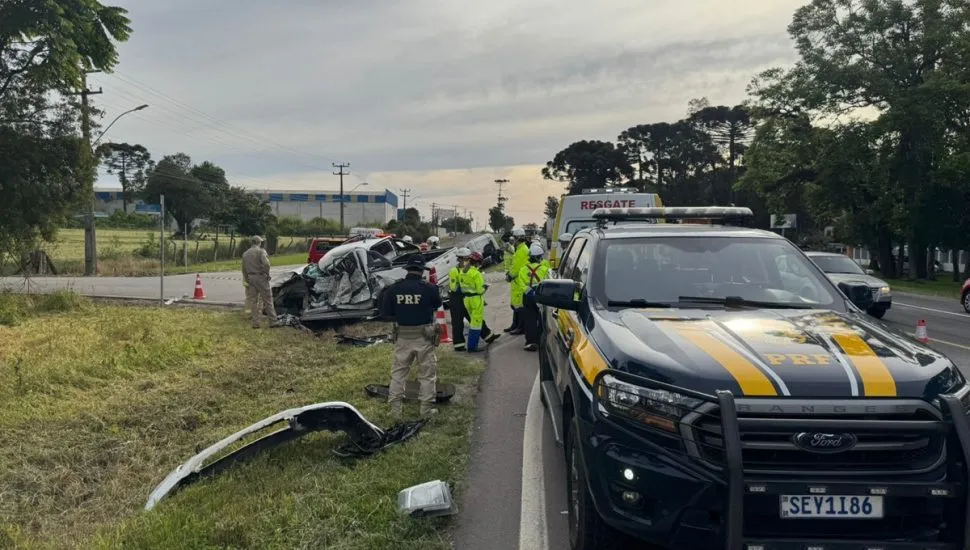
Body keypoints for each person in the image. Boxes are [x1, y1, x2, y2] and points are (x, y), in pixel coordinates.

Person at [380, 256, 442, 419]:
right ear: (422, 271)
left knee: (398, 374)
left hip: (403, 336)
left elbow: (385, 314)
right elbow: (437, 304)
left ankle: (395, 411)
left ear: (407, 269)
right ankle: (426, 411)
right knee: (427, 375)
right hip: (424, 336)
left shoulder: (394, 289)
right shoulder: (429, 288)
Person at [517, 243, 550, 351]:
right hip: (541, 295)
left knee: (529, 320)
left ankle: (531, 342)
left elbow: (520, 283)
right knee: (542, 318)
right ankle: (542, 341)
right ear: (539, 257)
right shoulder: (545, 269)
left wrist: (529, 292)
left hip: (528, 296)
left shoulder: (523, 270)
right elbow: (548, 283)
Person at [461, 252, 495, 352]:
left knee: (474, 321)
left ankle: (485, 338)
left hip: (467, 300)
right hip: (476, 300)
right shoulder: (476, 273)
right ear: (477, 263)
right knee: (476, 323)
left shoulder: (463, 272)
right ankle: (472, 347)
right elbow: (480, 290)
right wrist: (485, 287)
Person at [241, 236, 278, 328]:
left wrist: (247, 279)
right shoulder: (261, 251)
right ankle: (273, 321)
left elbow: (243, 269)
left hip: (251, 278)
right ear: (259, 242)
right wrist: (267, 273)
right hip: (261, 276)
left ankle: (255, 323)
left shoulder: (245, 254)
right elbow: (266, 264)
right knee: (268, 299)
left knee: (254, 301)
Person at [506, 228, 530, 334]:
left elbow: (517, 267)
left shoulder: (522, 250)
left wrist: (510, 275)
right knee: (515, 304)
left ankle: (521, 327)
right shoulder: (520, 249)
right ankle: (515, 324)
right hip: (516, 281)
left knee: (520, 305)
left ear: (518, 238)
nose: (513, 240)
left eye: (514, 238)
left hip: (518, 280)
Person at [448, 247, 472, 351]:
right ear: (460, 259)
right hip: (457, 299)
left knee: (475, 318)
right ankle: (459, 345)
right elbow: (453, 287)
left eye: (468, 259)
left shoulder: (471, 269)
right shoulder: (454, 271)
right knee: (457, 323)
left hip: (469, 298)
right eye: (465, 259)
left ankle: (488, 336)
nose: (467, 261)